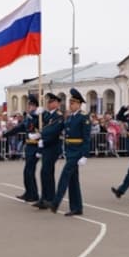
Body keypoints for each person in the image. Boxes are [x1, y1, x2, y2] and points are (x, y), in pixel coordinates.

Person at [45, 88, 90, 216]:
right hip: (70, 151)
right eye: (70, 103)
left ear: (79, 104)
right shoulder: (70, 118)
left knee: (65, 176)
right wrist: (41, 134)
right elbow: (57, 128)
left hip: (77, 152)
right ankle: (77, 207)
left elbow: (87, 138)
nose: (70, 105)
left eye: (73, 103)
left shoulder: (83, 118)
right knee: (73, 181)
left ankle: (56, 202)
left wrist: (85, 155)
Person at [0, 95, 40, 202]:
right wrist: (5, 134)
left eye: (31, 105)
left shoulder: (38, 117)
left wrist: (39, 114)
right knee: (27, 171)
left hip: (35, 146)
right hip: (29, 146)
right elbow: (17, 128)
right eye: (29, 105)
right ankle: (30, 193)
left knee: (29, 171)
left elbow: (42, 128)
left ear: (35, 106)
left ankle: (33, 194)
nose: (29, 107)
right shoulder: (28, 118)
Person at [33, 93, 64, 209]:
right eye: (48, 102)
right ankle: (44, 198)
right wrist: (36, 114)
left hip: (53, 147)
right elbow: (39, 125)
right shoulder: (47, 115)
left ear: (57, 103)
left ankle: (50, 198)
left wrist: (43, 140)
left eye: (51, 102)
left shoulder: (58, 116)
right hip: (46, 147)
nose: (49, 103)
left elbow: (54, 131)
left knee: (47, 172)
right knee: (44, 173)